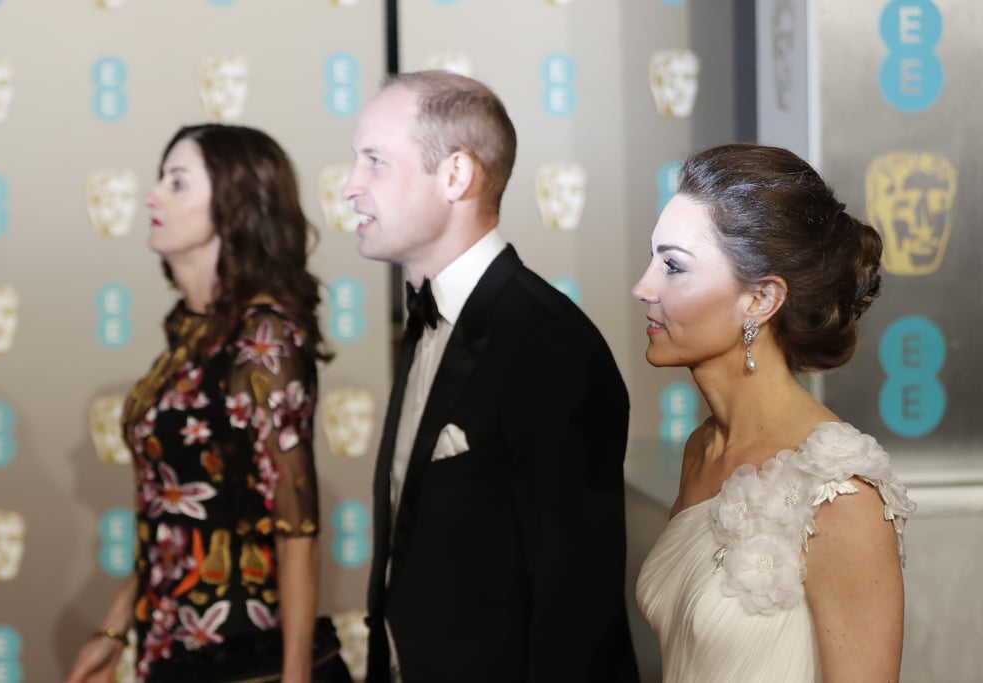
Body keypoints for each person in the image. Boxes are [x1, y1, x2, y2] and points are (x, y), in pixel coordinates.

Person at [342, 70, 639, 683]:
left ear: (456, 175)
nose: (349, 186)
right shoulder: (425, 320)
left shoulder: (551, 343)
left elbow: (577, 606)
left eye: (374, 161)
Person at [67, 124, 345, 683]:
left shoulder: (263, 341)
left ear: (234, 205)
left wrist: (295, 678)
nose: (152, 196)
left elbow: (298, 531)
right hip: (173, 648)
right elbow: (173, 524)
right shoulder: (193, 335)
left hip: (245, 657)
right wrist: (116, 630)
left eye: (177, 183)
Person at [633, 143, 916, 681]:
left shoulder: (841, 491)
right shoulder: (703, 448)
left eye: (672, 266)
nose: (643, 287)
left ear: (760, 300)